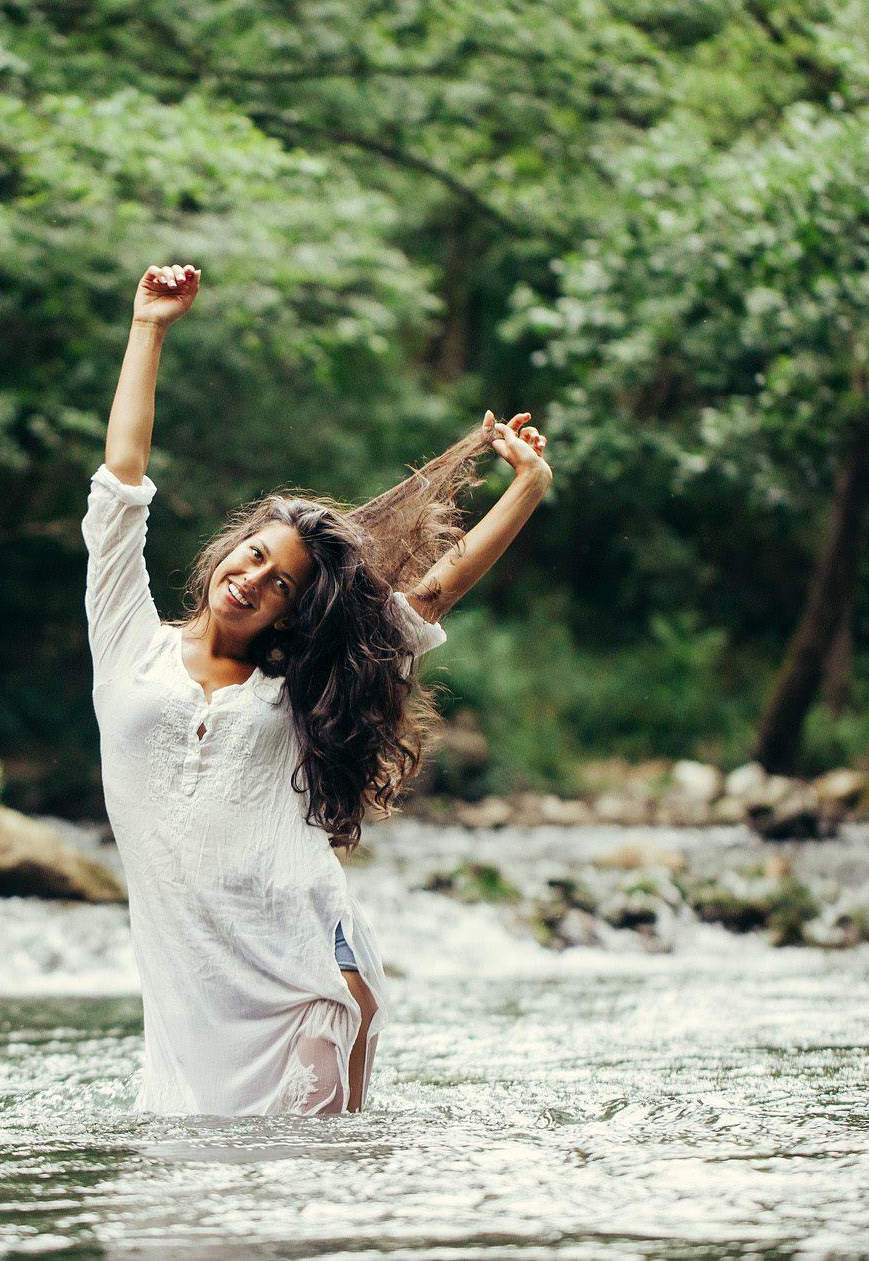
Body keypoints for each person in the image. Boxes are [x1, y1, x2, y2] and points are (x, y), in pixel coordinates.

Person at [85, 262, 551, 1115]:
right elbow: (121, 487)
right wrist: (148, 326)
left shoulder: (297, 686)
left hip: (310, 977)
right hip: (196, 1006)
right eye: (253, 554)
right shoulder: (126, 642)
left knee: (310, 1205)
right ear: (228, 549)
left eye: (284, 583)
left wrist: (527, 487)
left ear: (295, 613)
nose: (254, 578)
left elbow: (428, 598)